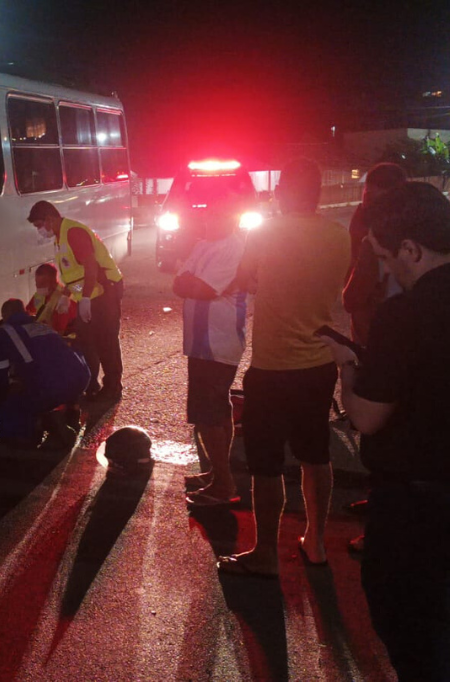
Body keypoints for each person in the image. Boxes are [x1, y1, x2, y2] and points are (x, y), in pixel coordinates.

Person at [322, 181, 450, 682]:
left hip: (425, 503)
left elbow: (367, 418)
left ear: (411, 249)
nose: (386, 270)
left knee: (414, 635)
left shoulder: (404, 314)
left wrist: (347, 368)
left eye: (384, 257)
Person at [215, 158, 350, 576]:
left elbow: (243, 278)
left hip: (273, 366)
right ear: (318, 194)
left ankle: (266, 554)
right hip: (318, 363)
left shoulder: (266, 232)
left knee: (266, 464)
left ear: (280, 192)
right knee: (315, 454)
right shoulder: (339, 233)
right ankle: (316, 541)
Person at [172, 191, 247, 506]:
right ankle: (218, 472)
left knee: (208, 415)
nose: (205, 219)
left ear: (228, 218)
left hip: (218, 342)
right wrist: (192, 284)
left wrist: (193, 283)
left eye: (213, 214)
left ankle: (223, 484)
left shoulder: (234, 247)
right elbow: (178, 284)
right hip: (200, 344)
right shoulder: (203, 245)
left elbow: (204, 288)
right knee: (217, 410)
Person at [27, 201, 124, 402]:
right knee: (87, 339)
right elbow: (74, 274)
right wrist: (67, 294)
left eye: (39, 225)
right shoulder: (60, 237)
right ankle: (92, 384)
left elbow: (91, 268)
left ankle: (113, 387)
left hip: (104, 290)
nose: (39, 231)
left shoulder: (73, 233)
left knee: (106, 340)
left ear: (49, 219)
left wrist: (86, 297)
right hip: (90, 293)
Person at [0, 298, 90, 447]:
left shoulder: (1, 333)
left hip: (52, 385)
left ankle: (45, 422)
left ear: (4, 315)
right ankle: (70, 413)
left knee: (8, 424)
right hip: (81, 377)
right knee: (45, 381)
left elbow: (0, 381)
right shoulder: (42, 326)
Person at [342, 163, 408, 344]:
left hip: (375, 339)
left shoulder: (373, 242)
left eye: (367, 194)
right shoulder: (419, 233)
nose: (364, 201)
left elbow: (351, 300)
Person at [25, 262, 76, 336]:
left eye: (42, 284)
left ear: (53, 282)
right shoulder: (40, 295)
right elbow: (27, 312)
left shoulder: (64, 300)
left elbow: (59, 332)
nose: (38, 286)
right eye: (36, 283)